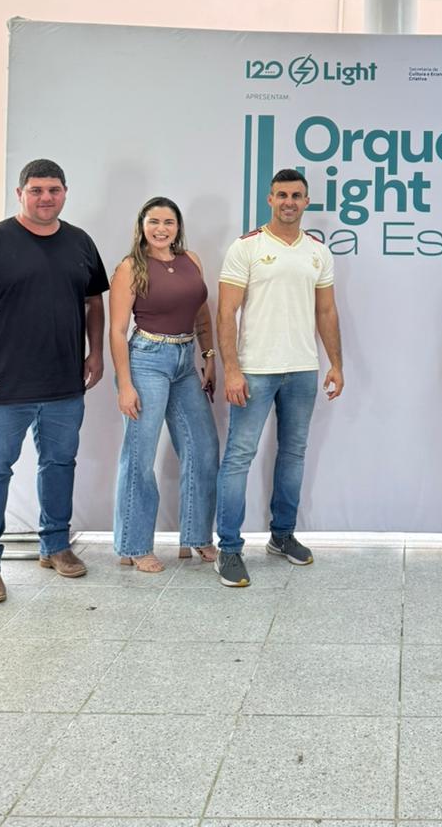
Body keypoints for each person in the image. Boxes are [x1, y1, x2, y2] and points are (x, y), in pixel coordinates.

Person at [0, 158, 109, 604]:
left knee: (59, 464)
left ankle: (55, 545)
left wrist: (96, 352)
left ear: (65, 192)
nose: (45, 197)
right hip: (3, 385)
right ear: (20, 194)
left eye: (53, 189)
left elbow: (94, 301)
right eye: (36, 190)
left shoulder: (79, 242)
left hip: (64, 383)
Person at [214, 169, 344, 586]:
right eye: (282, 195)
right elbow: (226, 312)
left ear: (306, 202)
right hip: (254, 370)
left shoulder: (318, 252)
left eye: (297, 195)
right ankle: (228, 548)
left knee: (293, 454)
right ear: (270, 199)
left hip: (303, 369)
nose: (289, 202)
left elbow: (326, 311)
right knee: (239, 457)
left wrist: (336, 363)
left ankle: (282, 535)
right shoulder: (246, 247)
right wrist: (232, 370)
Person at [109, 196, 220, 572]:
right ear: (142, 226)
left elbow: (201, 311)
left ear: (178, 227)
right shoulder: (130, 267)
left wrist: (208, 355)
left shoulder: (192, 260)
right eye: (154, 222)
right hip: (146, 360)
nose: (161, 229)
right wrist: (125, 384)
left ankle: (197, 536)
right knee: (140, 455)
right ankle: (134, 545)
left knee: (203, 448)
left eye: (168, 222)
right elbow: (117, 330)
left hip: (185, 360)